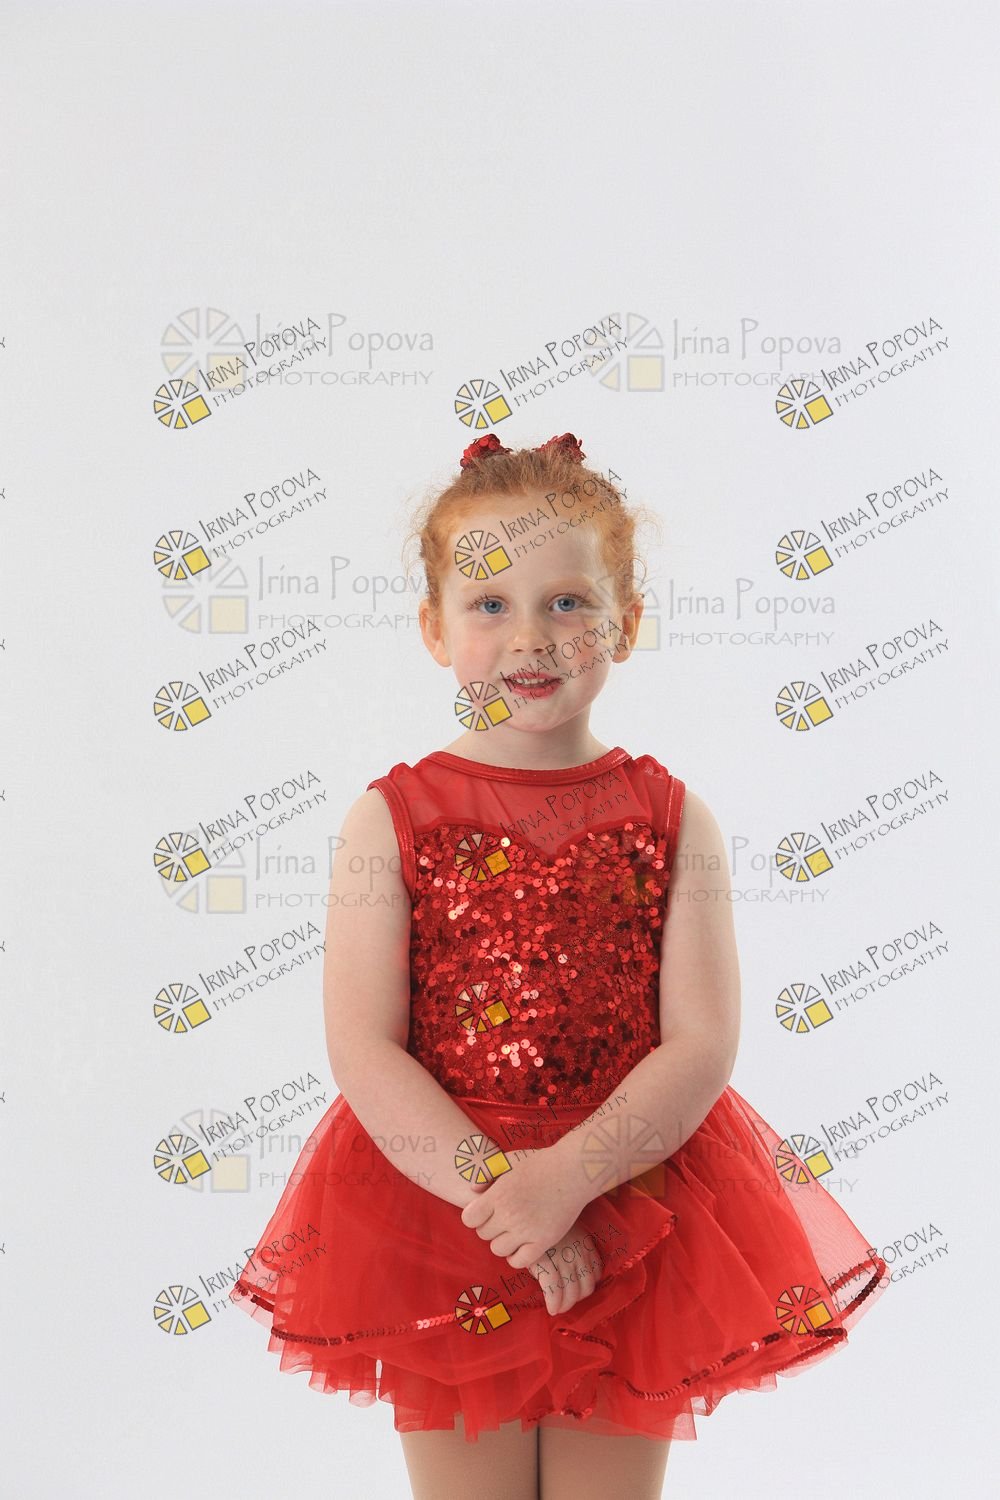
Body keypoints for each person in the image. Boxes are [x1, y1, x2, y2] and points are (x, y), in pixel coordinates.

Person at [230, 431, 888, 1500]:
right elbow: (362, 1045)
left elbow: (702, 1043)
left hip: (635, 1198)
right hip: (444, 1205)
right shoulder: (389, 819)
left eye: (569, 602)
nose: (530, 636)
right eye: (489, 604)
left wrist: (569, 1182)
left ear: (626, 623)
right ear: (434, 627)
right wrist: (505, 1200)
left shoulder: (672, 818)